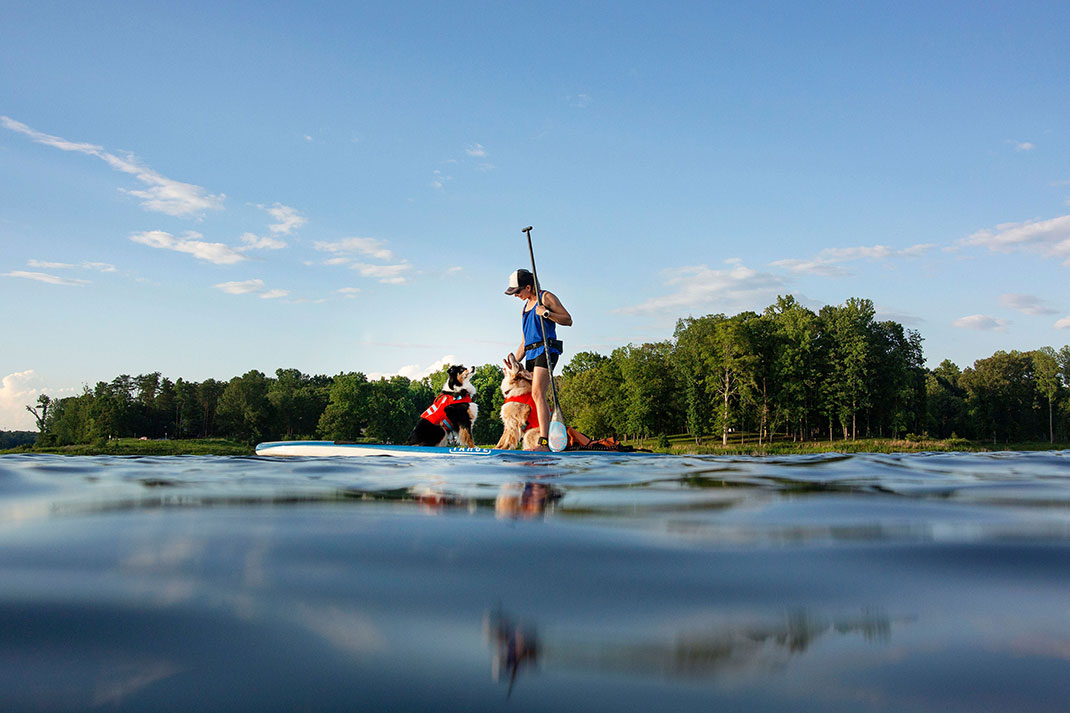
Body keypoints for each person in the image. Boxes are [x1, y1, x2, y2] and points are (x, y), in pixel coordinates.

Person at [504, 268, 572, 450]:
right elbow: (525, 341)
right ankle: (544, 434)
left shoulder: (546, 298)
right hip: (532, 353)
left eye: (517, 291)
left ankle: (543, 442)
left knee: (537, 393)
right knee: (534, 396)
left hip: (547, 349)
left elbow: (568, 320)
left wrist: (547, 314)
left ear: (528, 286)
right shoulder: (524, 309)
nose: (515, 295)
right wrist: (514, 361)